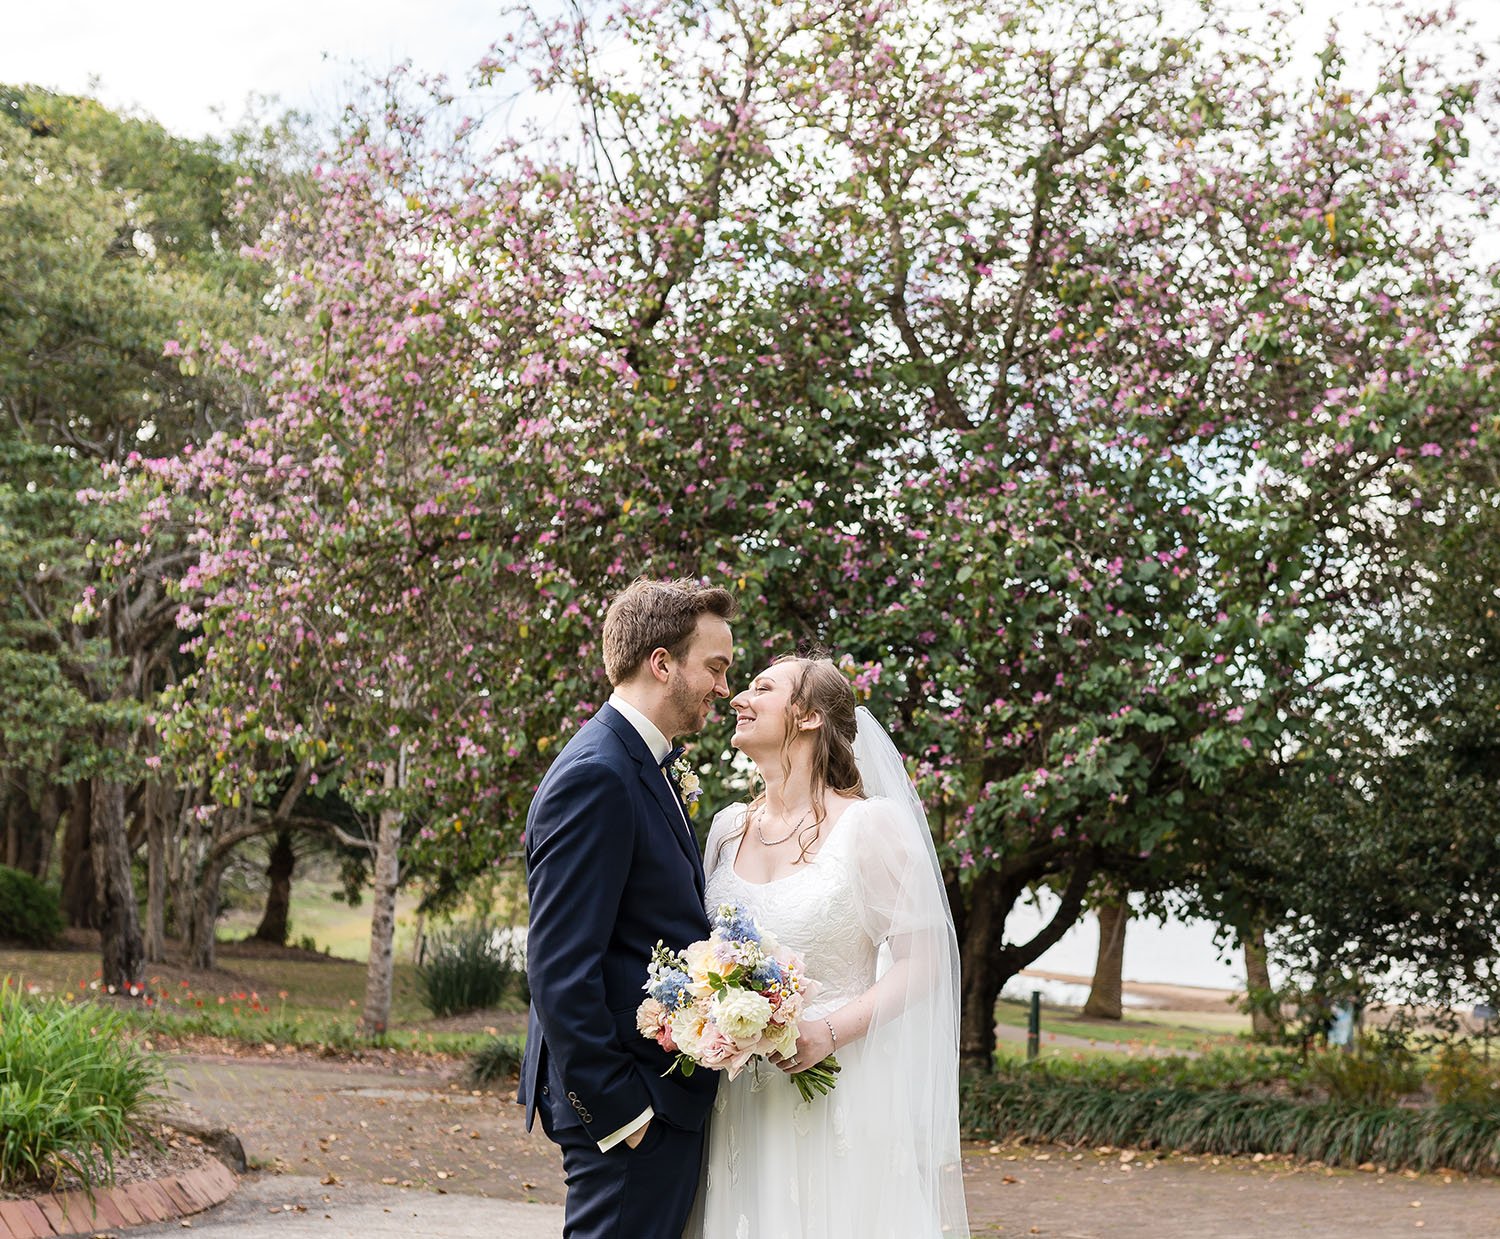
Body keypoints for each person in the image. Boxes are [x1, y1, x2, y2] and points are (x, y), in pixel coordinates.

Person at [690, 655, 970, 1238]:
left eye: (762, 688)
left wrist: (828, 1032)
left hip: (839, 1088)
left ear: (811, 715)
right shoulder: (727, 828)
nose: (738, 698)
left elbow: (925, 962)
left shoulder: (871, 827)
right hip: (738, 1099)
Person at [518, 577, 736, 1239]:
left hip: (656, 1094)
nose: (724, 687)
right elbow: (559, 965)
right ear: (662, 663)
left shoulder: (641, 762)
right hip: (631, 1104)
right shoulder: (599, 772)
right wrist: (622, 1113)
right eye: (716, 667)